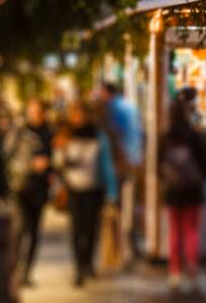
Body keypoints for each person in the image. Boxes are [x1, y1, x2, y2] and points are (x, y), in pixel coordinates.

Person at [158, 88, 206, 294]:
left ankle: (174, 273)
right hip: (193, 190)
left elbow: (158, 166)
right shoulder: (196, 136)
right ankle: (192, 272)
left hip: (173, 190)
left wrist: (166, 179)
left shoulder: (166, 137)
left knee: (174, 231)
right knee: (192, 231)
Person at [58, 101, 116, 287]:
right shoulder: (66, 136)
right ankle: (79, 268)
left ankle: (88, 263)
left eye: (81, 114)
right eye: (75, 115)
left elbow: (107, 166)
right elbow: (59, 163)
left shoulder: (98, 137)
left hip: (94, 190)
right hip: (73, 190)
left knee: (91, 228)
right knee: (76, 230)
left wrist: (111, 193)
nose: (78, 118)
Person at [7, 100, 55, 288]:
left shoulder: (49, 133)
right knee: (19, 229)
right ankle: (13, 271)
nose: (36, 115)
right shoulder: (19, 131)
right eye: (32, 111)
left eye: (39, 111)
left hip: (40, 188)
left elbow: (54, 157)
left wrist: (50, 166)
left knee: (34, 232)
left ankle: (26, 273)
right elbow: (8, 153)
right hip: (21, 186)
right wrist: (29, 165)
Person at [98, 80, 144, 265]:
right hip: (134, 162)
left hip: (118, 166)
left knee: (116, 209)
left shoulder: (112, 110)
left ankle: (120, 251)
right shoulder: (130, 107)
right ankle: (130, 248)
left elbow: (115, 140)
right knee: (130, 208)